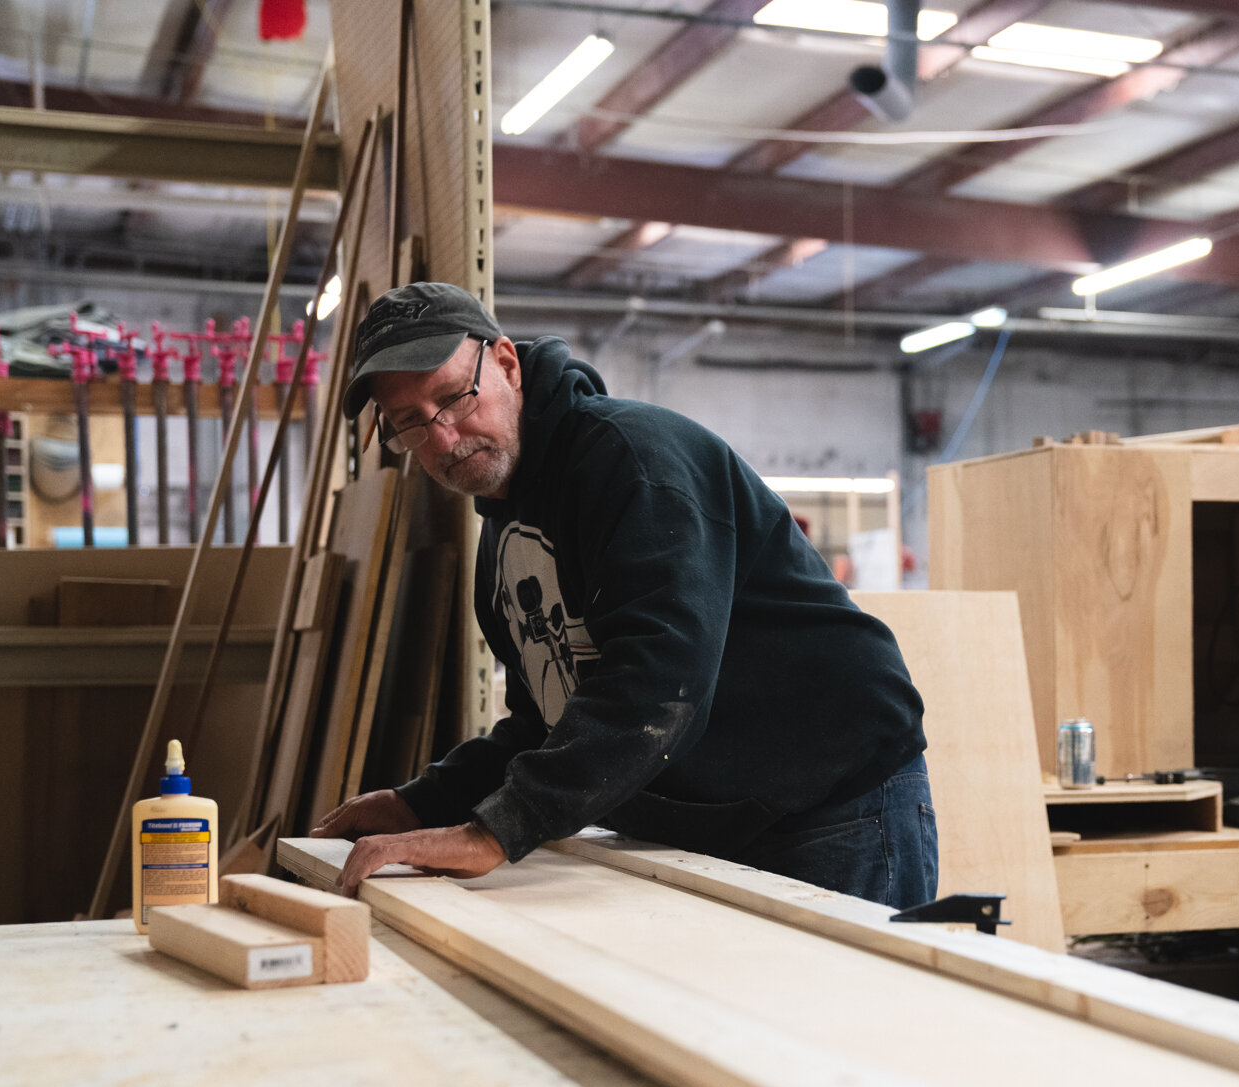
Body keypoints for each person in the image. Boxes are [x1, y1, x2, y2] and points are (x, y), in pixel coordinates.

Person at [314, 283, 934, 908]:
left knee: (840, 1004)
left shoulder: (633, 463)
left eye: (453, 398)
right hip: (721, 813)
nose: (443, 439)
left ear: (505, 364)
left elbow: (660, 682)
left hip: (833, 802)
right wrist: (418, 801)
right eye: (410, 424)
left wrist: (494, 831)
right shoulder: (504, 540)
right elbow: (549, 721)